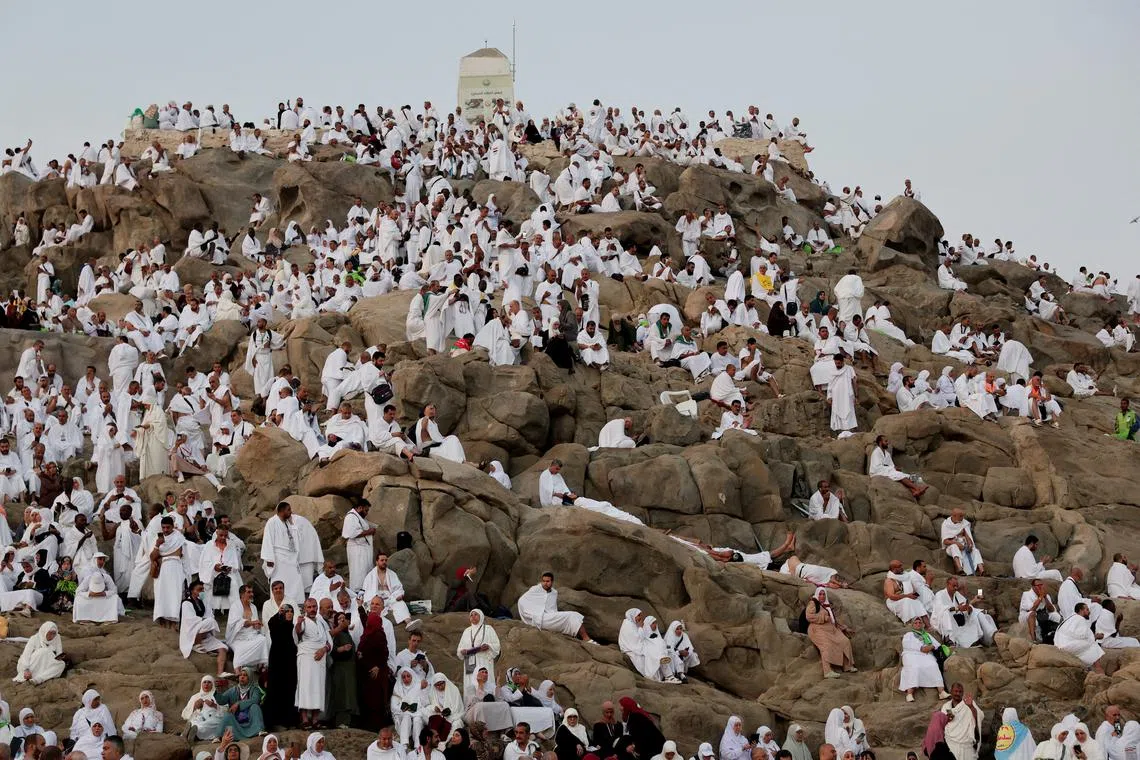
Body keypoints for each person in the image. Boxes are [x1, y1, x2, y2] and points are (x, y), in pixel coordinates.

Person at [538, 458, 643, 524]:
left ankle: (630, 518)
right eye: (556, 469)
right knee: (600, 506)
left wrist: (569, 494)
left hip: (568, 498)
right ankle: (629, 519)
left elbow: (564, 488)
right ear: (551, 466)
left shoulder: (558, 475)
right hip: (558, 500)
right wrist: (564, 497)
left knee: (603, 505)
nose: (557, 471)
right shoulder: (545, 476)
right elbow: (548, 492)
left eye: (558, 469)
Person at [516, 572, 595, 642]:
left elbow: (552, 609)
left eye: (547, 581)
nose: (545, 583)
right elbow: (522, 601)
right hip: (538, 618)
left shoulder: (554, 593)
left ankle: (584, 639)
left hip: (550, 617)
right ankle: (586, 639)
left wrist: (554, 615)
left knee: (573, 615)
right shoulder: (535, 589)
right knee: (572, 615)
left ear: (552, 582)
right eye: (543, 581)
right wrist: (530, 615)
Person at [295, 597, 333, 729]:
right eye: (309, 607)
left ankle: (315, 719)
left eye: (314, 607)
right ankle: (305, 719)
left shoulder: (322, 622)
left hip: (320, 658)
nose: (312, 609)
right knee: (305, 687)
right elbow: (298, 633)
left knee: (318, 688)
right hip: (306, 657)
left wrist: (324, 650)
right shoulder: (303, 621)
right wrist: (298, 624)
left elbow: (329, 642)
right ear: (305, 609)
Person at [179, 579, 229, 676]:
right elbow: (190, 620)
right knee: (210, 621)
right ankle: (196, 644)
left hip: (204, 634)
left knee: (223, 648)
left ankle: (220, 672)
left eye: (203, 590)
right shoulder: (186, 603)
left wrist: (206, 618)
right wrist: (204, 620)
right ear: (192, 591)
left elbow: (210, 615)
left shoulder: (203, 602)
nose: (202, 592)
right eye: (199, 589)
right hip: (191, 633)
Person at [805, 587, 856, 678]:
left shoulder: (827, 605)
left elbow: (834, 620)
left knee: (845, 641)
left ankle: (848, 666)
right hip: (818, 629)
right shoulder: (813, 603)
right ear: (817, 594)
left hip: (831, 629)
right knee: (826, 645)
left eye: (824, 594)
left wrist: (844, 628)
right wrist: (823, 618)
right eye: (820, 594)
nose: (822, 596)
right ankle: (827, 671)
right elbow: (809, 616)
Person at [932, 576, 996, 648]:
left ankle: (991, 635)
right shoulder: (940, 594)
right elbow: (940, 609)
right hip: (943, 620)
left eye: (956, 586)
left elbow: (966, 605)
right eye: (954, 586)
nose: (956, 588)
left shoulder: (957, 594)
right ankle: (949, 639)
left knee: (976, 614)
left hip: (958, 619)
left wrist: (968, 608)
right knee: (945, 613)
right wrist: (957, 608)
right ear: (947, 584)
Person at [357, 612, 394, 731]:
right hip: (366, 671)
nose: (367, 622)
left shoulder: (378, 634)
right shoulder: (368, 632)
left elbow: (384, 653)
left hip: (377, 673)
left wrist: (378, 666)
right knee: (368, 698)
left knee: (375, 699)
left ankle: (376, 726)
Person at [264, 603, 298, 729]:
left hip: (290, 664)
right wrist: (279, 613)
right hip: (278, 663)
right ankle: (274, 722)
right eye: (286, 611)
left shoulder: (293, 627)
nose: (289, 613)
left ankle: (289, 720)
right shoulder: (277, 625)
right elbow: (271, 623)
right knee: (276, 691)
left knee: (289, 690)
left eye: (291, 611)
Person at [900, 619, 949, 702]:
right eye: (915, 623)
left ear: (922, 624)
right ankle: (909, 694)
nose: (918, 624)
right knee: (914, 667)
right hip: (911, 654)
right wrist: (921, 648)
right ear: (912, 625)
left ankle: (941, 692)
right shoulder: (909, 635)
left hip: (926, 655)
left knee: (933, 665)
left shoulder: (927, 635)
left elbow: (936, 645)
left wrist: (930, 647)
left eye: (920, 623)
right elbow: (906, 644)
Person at [226, 584, 269, 670]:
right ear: (242, 594)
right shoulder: (235, 606)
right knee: (240, 649)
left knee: (263, 640)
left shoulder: (253, 607)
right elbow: (235, 623)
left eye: (252, 592)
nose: (251, 594)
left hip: (252, 635)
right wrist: (252, 623)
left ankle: (261, 666)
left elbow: (255, 625)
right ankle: (237, 670)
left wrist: (257, 626)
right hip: (237, 637)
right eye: (249, 592)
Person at [216, 667, 266, 739]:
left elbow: (256, 700)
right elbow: (222, 701)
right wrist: (217, 691)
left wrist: (238, 704)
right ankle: (219, 736)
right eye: (240, 675)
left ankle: (259, 730)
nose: (242, 677)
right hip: (236, 723)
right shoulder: (233, 690)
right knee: (228, 715)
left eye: (245, 675)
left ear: (250, 677)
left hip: (251, 722)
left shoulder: (255, 689)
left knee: (255, 707)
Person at [1055, 602, 1105, 671]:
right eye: (1087, 610)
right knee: (1093, 645)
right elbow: (1083, 635)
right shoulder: (1080, 619)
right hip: (1067, 647)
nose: (1089, 612)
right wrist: (1096, 637)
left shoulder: (1071, 618)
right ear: (1081, 611)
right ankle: (1098, 669)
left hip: (1059, 646)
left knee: (1089, 642)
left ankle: (1089, 668)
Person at [456, 609, 500, 685]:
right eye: (471, 615)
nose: (473, 617)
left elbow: (496, 645)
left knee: (485, 684)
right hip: (469, 661)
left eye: (476, 614)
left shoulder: (488, 629)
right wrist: (461, 651)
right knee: (470, 685)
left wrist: (488, 646)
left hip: (483, 660)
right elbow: (459, 649)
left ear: (481, 616)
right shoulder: (467, 631)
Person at [341, 500, 376, 591]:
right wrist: (369, 531)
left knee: (365, 572)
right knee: (358, 573)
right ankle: (357, 592)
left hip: (363, 549)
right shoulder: (350, 517)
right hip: (357, 550)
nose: (367, 513)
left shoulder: (358, 517)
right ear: (360, 508)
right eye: (366, 510)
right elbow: (352, 533)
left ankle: (366, 591)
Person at [181, 675, 226, 741]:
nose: (206, 684)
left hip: (213, 719)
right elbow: (185, 714)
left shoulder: (217, 696)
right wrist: (194, 706)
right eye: (204, 682)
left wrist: (214, 705)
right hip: (198, 718)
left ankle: (192, 735)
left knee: (210, 724)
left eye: (209, 682)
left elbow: (226, 710)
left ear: (212, 684)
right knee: (194, 722)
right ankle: (190, 733)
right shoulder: (195, 696)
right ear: (201, 684)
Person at [885, 560, 930, 624]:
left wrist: (915, 595)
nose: (902, 567)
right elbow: (891, 596)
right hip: (894, 602)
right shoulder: (889, 580)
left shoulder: (906, 577)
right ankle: (910, 623)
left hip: (907, 598)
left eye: (901, 565)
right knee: (907, 601)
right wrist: (907, 596)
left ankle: (928, 625)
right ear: (894, 569)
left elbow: (913, 590)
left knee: (917, 601)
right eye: (899, 566)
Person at [941, 509, 985, 576]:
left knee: (975, 550)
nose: (962, 518)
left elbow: (968, 536)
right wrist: (956, 543)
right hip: (951, 546)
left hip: (964, 546)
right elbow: (945, 541)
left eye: (962, 516)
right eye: (960, 516)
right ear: (954, 516)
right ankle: (960, 569)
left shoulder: (964, 523)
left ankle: (982, 571)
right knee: (954, 547)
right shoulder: (946, 524)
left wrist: (970, 544)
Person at [1019, 579, 1062, 644]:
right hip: (1027, 615)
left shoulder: (1046, 595)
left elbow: (1052, 610)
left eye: (1042, 585)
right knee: (1032, 613)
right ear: (1033, 587)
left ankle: (1060, 633)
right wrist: (1040, 597)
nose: (1041, 587)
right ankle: (1034, 639)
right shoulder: (1026, 594)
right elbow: (1031, 609)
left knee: (1056, 615)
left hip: (1042, 614)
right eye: (1038, 585)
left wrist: (1045, 598)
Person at [391, 668, 425, 748]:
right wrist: (404, 708)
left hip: (417, 713)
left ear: (412, 676)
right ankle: (404, 744)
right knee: (406, 716)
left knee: (417, 719)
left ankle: (418, 746)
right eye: (403, 677)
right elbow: (394, 707)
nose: (406, 679)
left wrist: (415, 709)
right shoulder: (398, 690)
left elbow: (424, 703)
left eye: (408, 676)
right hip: (403, 715)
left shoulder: (419, 687)